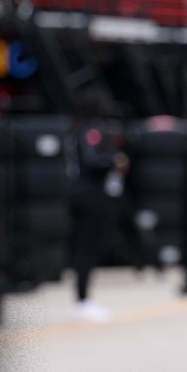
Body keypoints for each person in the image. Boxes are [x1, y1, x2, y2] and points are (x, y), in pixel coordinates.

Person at [69, 115, 129, 322]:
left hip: (81, 195)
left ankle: (83, 298)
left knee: (85, 247)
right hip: (89, 197)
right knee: (87, 247)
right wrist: (114, 160)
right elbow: (92, 160)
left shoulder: (75, 129)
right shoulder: (91, 130)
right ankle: (83, 300)